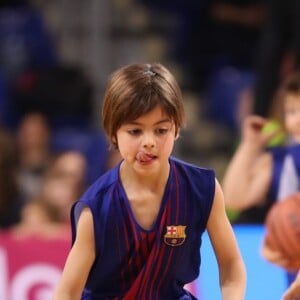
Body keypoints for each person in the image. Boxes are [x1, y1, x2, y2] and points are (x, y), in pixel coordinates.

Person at [53, 62, 246, 300]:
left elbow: (231, 264)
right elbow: (66, 293)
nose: (148, 142)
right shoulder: (96, 209)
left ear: (176, 129)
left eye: (161, 130)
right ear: (113, 133)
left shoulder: (203, 189)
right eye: (135, 131)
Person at [222, 71, 300, 284]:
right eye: (292, 111)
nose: (297, 119)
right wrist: (250, 146)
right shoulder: (280, 159)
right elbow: (234, 198)